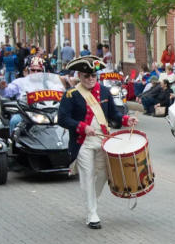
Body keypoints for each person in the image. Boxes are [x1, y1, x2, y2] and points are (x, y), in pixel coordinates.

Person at [58, 56, 137, 229]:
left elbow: (113, 115)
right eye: (86, 76)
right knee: (87, 175)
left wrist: (126, 119)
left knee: (103, 175)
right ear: (79, 75)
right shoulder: (71, 94)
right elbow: (62, 119)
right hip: (83, 141)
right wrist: (82, 127)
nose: (90, 79)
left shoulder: (104, 91)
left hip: (103, 139)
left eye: (93, 75)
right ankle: (92, 213)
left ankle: (90, 201)